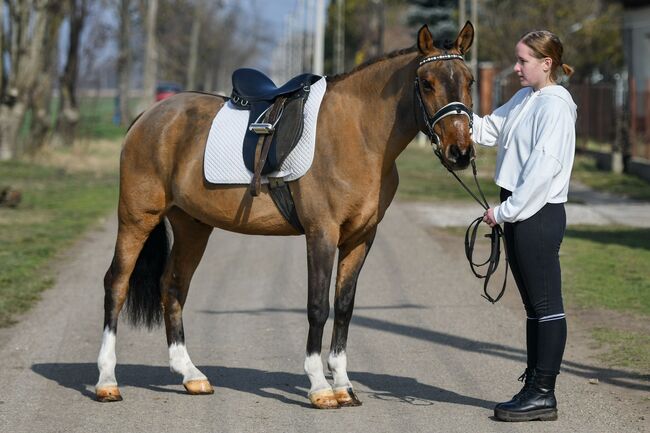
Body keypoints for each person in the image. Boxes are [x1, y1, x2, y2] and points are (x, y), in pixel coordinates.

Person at [472, 30, 577, 422]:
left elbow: (541, 171)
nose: (515, 67)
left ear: (546, 63)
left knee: (547, 307)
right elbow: (489, 129)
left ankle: (543, 394)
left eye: (523, 61)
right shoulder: (526, 98)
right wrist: (451, 114)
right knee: (535, 308)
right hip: (519, 211)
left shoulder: (555, 106)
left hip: (537, 214)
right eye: (517, 60)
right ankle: (534, 386)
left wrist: (505, 212)